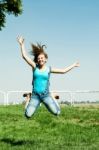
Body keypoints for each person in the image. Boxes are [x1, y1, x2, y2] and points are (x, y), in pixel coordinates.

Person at [17, 36, 80, 118]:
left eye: (42, 58)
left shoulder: (49, 69)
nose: (40, 59)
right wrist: (21, 44)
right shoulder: (34, 67)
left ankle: (53, 96)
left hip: (46, 95)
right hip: (35, 96)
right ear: (37, 60)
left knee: (57, 113)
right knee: (28, 115)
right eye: (39, 58)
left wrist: (73, 65)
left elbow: (63, 71)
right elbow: (24, 56)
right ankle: (29, 98)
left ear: (46, 59)